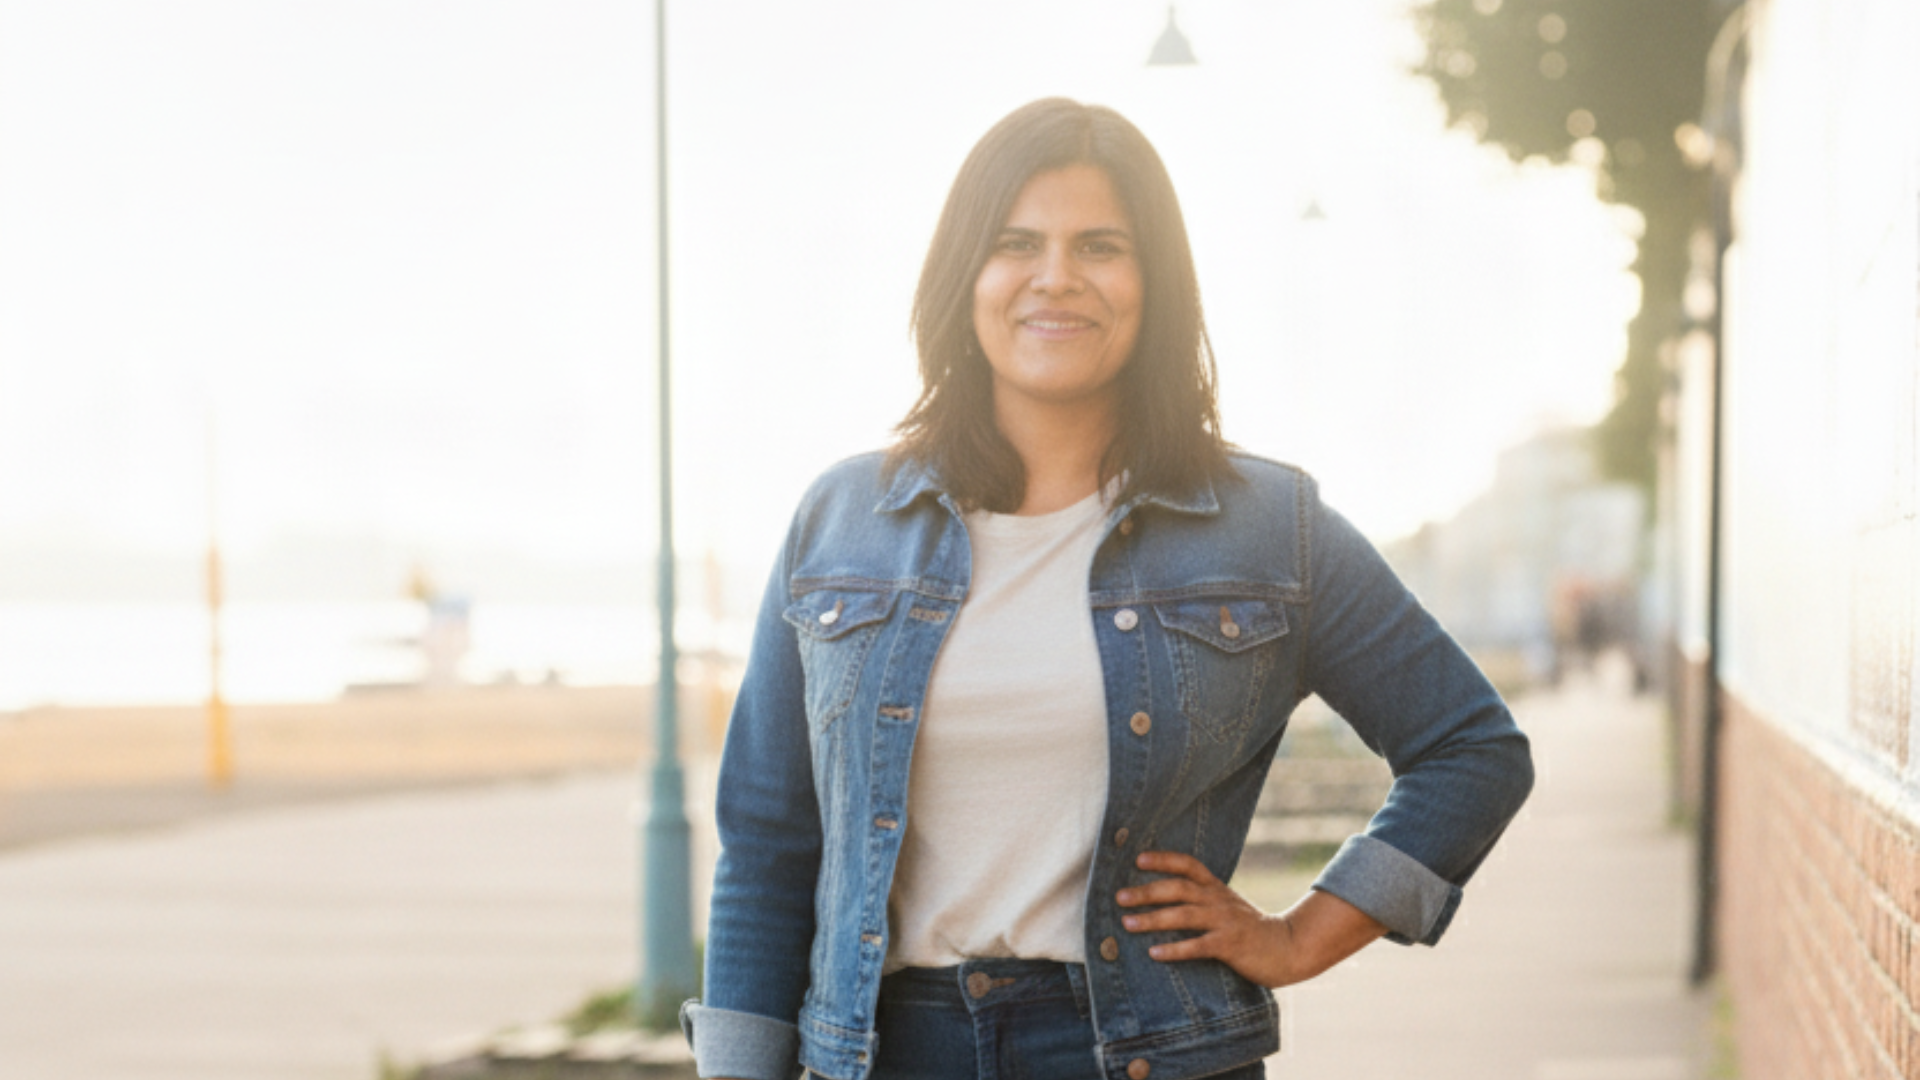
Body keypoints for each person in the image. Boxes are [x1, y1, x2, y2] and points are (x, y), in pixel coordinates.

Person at [680, 97, 1534, 1080]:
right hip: (883, 1051)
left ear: (1153, 282)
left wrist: (1301, 936)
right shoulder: (841, 521)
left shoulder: (1267, 529)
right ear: (965, 274)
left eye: (1099, 246)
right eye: (1015, 243)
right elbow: (766, 849)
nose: (1056, 278)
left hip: (1140, 1053)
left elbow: (1472, 748)